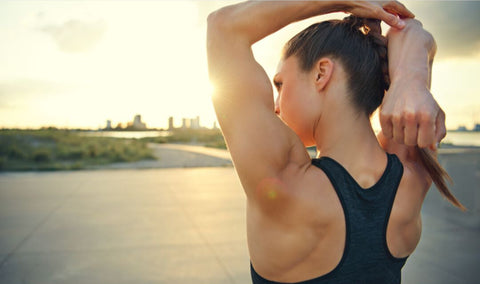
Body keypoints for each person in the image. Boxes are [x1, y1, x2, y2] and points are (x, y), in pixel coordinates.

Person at [207, 1, 464, 283]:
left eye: (279, 84)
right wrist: (410, 79)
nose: (276, 105)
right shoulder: (412, 172)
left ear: (321, 73)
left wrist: (340, 2)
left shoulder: (285, 181)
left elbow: (224, 27)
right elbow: (412, 31)